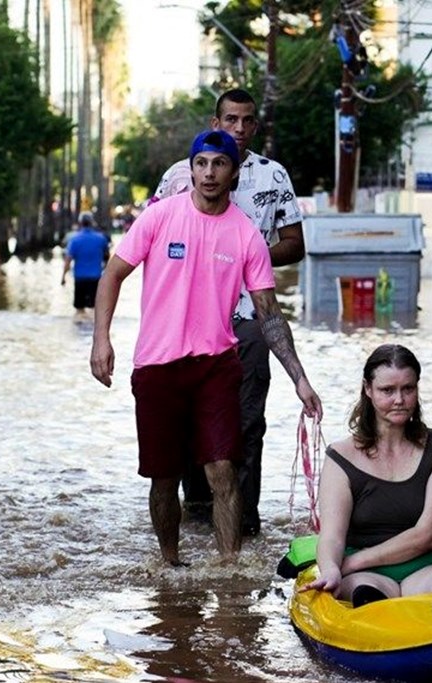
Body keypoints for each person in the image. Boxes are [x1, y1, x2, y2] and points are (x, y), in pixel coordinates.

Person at [91, 129, 322, 565]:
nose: (209, 172)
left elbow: (269, 314)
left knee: (222, 471)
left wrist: (300, 379)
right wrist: (101, 340)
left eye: (219, 164)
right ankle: (170, 564)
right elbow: (113, 275)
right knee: (164, 478)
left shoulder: (247, 236)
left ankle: (229, 569)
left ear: (234, 173)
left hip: (216, 366)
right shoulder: (160, 217)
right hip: (157, 366)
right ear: (191, 169)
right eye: (202, 163)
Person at [151, 88, 306, 536]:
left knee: (246, 419)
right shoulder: (179, 176)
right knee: (185, 421)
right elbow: (151, 239)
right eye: (231, 120)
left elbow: (295, 242)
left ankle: (243, 521)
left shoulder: (272, 176)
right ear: (215, 123)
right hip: (185, 324)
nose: (239, 128)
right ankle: (198, 506)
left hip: (249, 317)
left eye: (248, 121)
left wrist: (247, 256)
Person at [302, 344, 432, 607]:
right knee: (363, 591)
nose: (399, 400)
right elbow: (332, 536)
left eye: (408, 389)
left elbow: (429, 534)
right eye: (387, 390)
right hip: (365, 577)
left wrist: (350, 563)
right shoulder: (341, 456)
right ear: (368, 389)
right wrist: (331, 569)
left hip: (423, 570)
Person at [61, 210, 111, 314]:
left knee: (79, 310)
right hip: (96, 278)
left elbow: (68, 260)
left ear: (80, 223)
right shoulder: (101, 239)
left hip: (80, 279)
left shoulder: (74, 240)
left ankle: (79, 330)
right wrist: (105, 272)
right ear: (92, 222)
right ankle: (91, 329)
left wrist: (63, 277)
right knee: (94, 310)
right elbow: (107, 257)